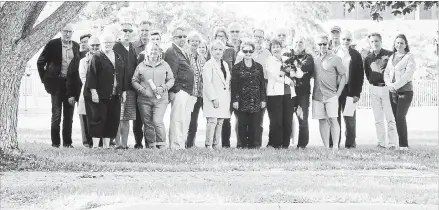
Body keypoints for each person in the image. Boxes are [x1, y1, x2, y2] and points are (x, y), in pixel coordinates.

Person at [37, 24, 80, 148]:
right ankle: (55, 143)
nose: (67, 34)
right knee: (56, 115)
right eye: (65, 31)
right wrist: (45, 79)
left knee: (69, 116)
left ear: (73, 32)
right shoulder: (52, 44)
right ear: (61, 31)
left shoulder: (76, 46)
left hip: (71, 86)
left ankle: (67, 143)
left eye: (70, 32)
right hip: (56, 84)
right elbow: (40, 62)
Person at [84, 34, 127, 148]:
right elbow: (91, 76)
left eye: (109, 42)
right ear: (101, 44)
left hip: (115, 94)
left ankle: (107, 146)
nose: (107, 44)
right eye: (105, 42)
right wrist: (93, 92)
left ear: (113, 43)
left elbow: (122, 75)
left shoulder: (118, 56)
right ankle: (96, 146)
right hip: (100, 94)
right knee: (98, 119)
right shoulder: (96, 57)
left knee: (112, 119)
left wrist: (123, 91)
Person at [132, 42, 174, 149]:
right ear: (146, 52)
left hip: (161, 99)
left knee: (157, 121)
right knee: (148, 123)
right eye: (151, 49)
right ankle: (151, 146)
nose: (153, 51)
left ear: (159, 51)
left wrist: (163, 88)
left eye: (156, 49)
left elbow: (171, 80)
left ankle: (162, 145)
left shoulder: (165, 65)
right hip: (144, 100)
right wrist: (142, 90)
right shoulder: (141, 66)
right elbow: (134, 80)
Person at [235, 28, 272, 144]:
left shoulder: (267, 54)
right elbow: (235, 79)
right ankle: (241, 143)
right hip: (242, 93)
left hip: (259, 90)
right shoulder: (240, 55)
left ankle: (255, 143)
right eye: (256, 36)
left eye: (261, 37)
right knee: (241, 121)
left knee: (257, 121)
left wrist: (263, 98)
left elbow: (265, 78)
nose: (258, 39)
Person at [329, 29, 364, 149]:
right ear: (340, 39)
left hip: (350, 90)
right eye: (343, 39)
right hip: (335, 90)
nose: (345, 41)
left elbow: (360, 76)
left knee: (349, 118)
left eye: (348, 39)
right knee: (334, 117)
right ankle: (334, 143)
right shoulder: (333, 52)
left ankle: (350, 144)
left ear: (351, 40)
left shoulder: (355, 55)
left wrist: (357, 94)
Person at [164, 27, 197, 150]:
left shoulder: (182, 50)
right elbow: (171, 73)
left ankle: (181, 145)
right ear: (174, 38)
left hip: (187, 91)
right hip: (179, 90)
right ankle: (175, 146)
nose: (182, 39)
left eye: (184, 36)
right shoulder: (171, 51)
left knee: (184, 119)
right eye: (179, 37)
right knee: (177, 119)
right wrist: (175, 90)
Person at [364, 32, 398, 149]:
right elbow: (368, 75)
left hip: (386, 89)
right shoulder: (368, 58)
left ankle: (392, 143)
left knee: (390, 118)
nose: (374, 43)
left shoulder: (389, 54)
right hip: (374, 89)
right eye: (372, 41)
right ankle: (381, 143)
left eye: (376, 41)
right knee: (378, 119)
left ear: (381, 41)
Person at [312, 34, 346, 150]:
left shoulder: (336, 58)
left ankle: (335, 146)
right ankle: (326, 147)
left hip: (331, 95)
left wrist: (339, 93)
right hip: (317, 95)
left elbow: (343, 76)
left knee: (333, 119)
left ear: (329, 44)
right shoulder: (315, 59)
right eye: (320, 44)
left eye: (324, 44)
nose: (322, 46)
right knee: (322, 121)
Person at [67, 37, 102, 148]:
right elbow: (84, 78)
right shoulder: (82, 61)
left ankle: (99, 142)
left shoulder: (104, 58)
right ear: (89, 46)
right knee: (85, 116)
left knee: (99, 116)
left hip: (102, 92)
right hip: (87, 90)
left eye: (97, 45)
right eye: (92, 45)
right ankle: (87, 142)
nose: (95, 47)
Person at [231, 40, 266, 149]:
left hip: (256, 99)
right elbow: (234, 85)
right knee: (241, 124)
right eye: (245, 51)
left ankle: (254, 145)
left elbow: (262, 84)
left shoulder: (259, 67)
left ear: (253, 52)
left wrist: (263, 99)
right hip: (241, 100)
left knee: (254, 124)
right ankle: (241, 144)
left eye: (250, 51)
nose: (248, 53)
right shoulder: (236, 67)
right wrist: (235, 100)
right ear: (241, 51)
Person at [384, 34, 416, 151]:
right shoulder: (392, 56)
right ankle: (400, 143)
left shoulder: (409, 57)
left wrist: (396, 85)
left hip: (405, 91)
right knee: (396, 118)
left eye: (401, 43)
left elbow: (408, 74)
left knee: (400, 116)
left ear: (406, 44)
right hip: (392, 91)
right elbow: (386, 72)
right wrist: (389, 85)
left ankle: (404, 145)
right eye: (397, 43)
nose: (399, 45)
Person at [265, 39, 297, 149]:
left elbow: (294, 72)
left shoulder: (287, 59)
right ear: (270, 49)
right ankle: (275, 144)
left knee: (287, 121)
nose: (276, 49)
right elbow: (275, 76)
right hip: (274, 94)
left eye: (277, 46)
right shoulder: (269, 60)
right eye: (273, 47)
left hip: (288, 94)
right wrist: (289, 80)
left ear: (281, 47)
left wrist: (293, 73)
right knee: (276, 121)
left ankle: (285, 145)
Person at [284, 36, 314, 149]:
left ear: (305, 44)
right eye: (296, 41)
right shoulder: (287, 55)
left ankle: (302, 145)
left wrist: (292, 68)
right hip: (289, 92)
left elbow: (302, 68)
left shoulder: (308, 57)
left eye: (301, 42)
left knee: (302, 119)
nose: (298, 44)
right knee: (286, 118)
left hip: (302, 93)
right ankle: (285, 143)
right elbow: (284, 68)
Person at [112, 22, 138, 150]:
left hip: (131, 89)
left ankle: (124, 144)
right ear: (120, 32)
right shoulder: (115, 47)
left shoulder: (133, 48)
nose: (127, 33)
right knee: (117, 117)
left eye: (129, 31)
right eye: (124, 31)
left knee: (127, 118)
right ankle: (117, 144)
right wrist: (119, 89)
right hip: (118, 89)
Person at [202, 40, 232, 149]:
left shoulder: (224, 64)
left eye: (220, 49)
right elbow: (207, 83)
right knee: (212, 121)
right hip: (213, 98)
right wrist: (213, 98)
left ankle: (216, 144)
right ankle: (208, 144)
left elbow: (226, 82)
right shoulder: (208, 65)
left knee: (220, 121)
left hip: (224, 97)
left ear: (223, 51)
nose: (218, 52)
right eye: (215, 49)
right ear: (211, 51)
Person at [186, 31, 209, 148]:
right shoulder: (185, 56)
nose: (195, 43)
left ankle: (190, 144)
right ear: (188, 42)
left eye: (197, 41)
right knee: (188, 120)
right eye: (192, 41)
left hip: (200, 94)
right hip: (189, 94)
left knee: (194, 121)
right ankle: (185, 144)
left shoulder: (202, 59)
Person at [131, 20, 152, 149]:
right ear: (139, 31)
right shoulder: (133, 46)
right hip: (137, 86)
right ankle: (138, 142)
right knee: (138, 117)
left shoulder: (155, 45)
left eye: (147, 30)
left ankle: (150, 142)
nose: (144, 32)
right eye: (142, 30)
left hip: (152, 87)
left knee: (149, 117)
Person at [222, 22, 242, 148]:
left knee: (240, 117)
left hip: (241, 87)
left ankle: (241, 143)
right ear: (228, 34)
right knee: (226, 117)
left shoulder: (245, 46)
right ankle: (225, 144)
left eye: (237, 31)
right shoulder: (223, 48)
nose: (234, 34)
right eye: (232, 31)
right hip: (227, 87)